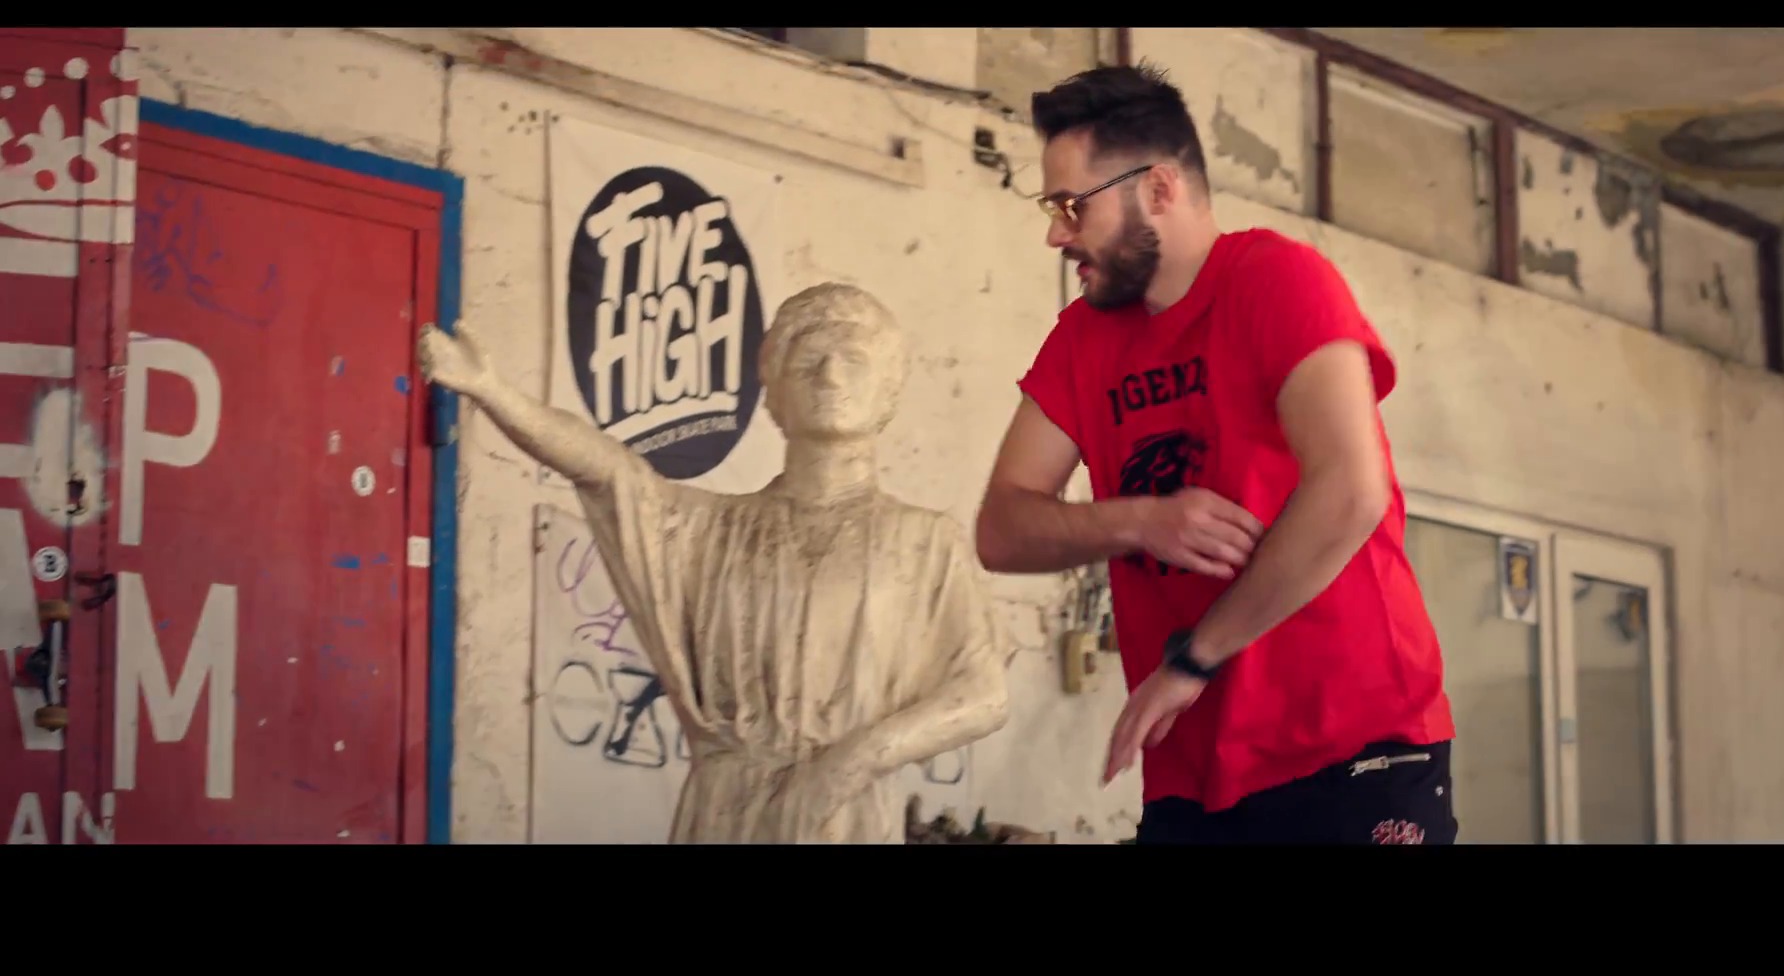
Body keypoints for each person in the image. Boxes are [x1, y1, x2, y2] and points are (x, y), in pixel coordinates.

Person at [974, 62, 1456, 845]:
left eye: (1072, 206)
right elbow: (1001, 529)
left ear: (1159, 188)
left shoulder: (1278, 279)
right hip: (1193, 772)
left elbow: (1350, 493)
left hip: (1351, 746)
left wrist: (1195, 659)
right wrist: (1140, 521)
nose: (1056, 234)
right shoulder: (1083, 341)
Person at [420, 282, 1010, 843]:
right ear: (773, 391)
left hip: (846, 810)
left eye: (853, 359)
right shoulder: (713, 530)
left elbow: (983, 693)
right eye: (808, 360)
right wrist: (493, 392)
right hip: (725, 808)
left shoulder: (924, 541)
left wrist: (854, 760)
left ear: (889, 390)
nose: (830, 375)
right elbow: (605, 470)